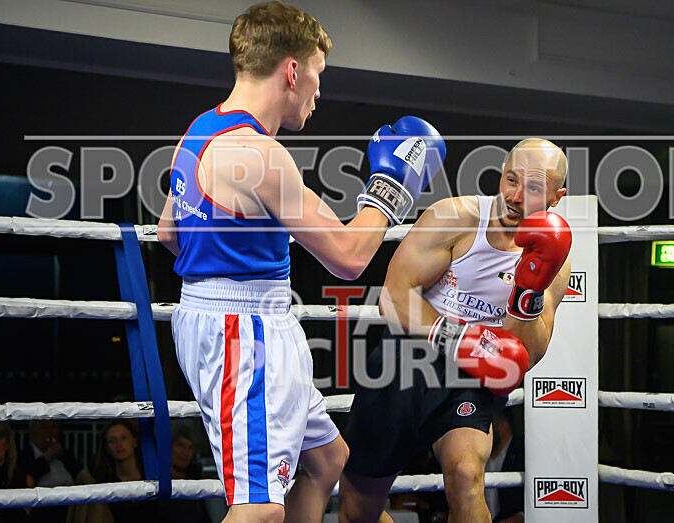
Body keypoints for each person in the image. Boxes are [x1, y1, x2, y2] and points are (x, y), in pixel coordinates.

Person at [156, 2, 446, 522]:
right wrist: (389, 190)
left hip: (228, 319)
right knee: (260, 510)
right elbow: (349, 258)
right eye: (317, 73)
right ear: (293, 69)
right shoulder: (262, 156)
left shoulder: (198, 131)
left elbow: (169, 234)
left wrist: (235, 247)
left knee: (325, 460)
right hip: (243, 334)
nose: (318, 90)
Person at [339, 138, 572, 523]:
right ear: (501, 174)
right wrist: (460, 339)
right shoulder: (457, 217)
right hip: (406, 360)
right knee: (359, 510)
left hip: (471, 376)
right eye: (511, 180)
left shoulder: (554, 255)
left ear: (556, 196)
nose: (515, 196)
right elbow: (395, 297)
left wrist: (528, 291)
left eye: (532, 188)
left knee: (466, 476)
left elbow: (525, 354)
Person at [67, 420, 156, 523]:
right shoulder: (100, 481)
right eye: (112, 440)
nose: (119, 444)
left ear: (135, 441)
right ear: (106, 447)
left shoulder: (152, 475)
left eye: (123, 438)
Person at [21, 420, 81, 522]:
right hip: (44, 508)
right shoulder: (25, 456)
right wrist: (46, 458)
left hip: (71, 505)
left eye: (54, 427)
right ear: (32, 432)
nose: (50, 432)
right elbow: (26, 478)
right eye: (43, 428)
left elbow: (80, 476)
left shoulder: (66, 455)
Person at [158, 426, 211, 523]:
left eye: (190, 447)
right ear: (167, 446)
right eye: (180, 445)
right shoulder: (154, 477)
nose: (185, 452)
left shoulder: (196, 476)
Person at [485, 410, 524, 523]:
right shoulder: (478, 454)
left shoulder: (523, 452)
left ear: (503, 426)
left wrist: (521, 517)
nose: (483, 432)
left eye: (487, 426)